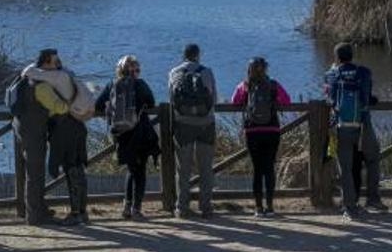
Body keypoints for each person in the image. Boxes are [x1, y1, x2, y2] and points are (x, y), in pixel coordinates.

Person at [23, 49, 89, 226]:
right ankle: (82, 212)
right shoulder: (66, 74)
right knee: (78, 169)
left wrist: (63, 107)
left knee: (71, 168)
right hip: (78, 125)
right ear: (47, 62)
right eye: (55, 61)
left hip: (64, 127)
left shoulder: (51, 78)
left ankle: (76, 214)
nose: (58, 63)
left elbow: (28, 72)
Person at [324, 43, 388, 220]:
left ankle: (350, 207)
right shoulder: (364, 72)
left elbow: (329, 99)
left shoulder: (331, 74)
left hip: (341, 126)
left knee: (345, 168)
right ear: (352, 55)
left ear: (337, 57)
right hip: (363, 126)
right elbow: (367, 97)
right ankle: (373, 199)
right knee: (373, 159)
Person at [96, 55, 158, 220]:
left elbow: (98, 104)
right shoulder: (141, 84)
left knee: (131, 170)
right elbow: (151, 103)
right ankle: (137, 209)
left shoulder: (112, 84)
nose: (138, 72)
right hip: (141, 132)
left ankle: (126, 206)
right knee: (141, 171)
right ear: (134, 71)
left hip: (122, 134)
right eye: (137, 69)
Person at [230, 57, 292, 218]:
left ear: (249, 69)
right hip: (271, 129)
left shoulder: (244, 85)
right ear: (265, 68)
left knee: (257, 170)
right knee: (269, 168)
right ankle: (270, 207)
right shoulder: (273, 85)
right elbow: (286, 101)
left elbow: (234, 102)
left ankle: (258, 208)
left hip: (253, 131)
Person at [167, 44, 218, 219]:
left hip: (183, 125)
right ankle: (206, 207)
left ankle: (181, 207)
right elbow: (214, 98)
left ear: (183, 55)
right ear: (198, 55)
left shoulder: (174, 73)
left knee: (183, 169)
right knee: (205, 168)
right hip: (205, 124)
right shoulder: (207, 72)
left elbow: (172, 100)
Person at [11, 50, 55, 225]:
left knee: (29, 171)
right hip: (34, 130)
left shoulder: (25, 78)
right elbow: (55, 107)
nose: (55, 66)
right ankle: (35, 215)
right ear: (45, 63)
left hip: (20, 127)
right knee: (35, 173)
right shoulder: (40, 84)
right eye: (53, 62)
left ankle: (32, 210)